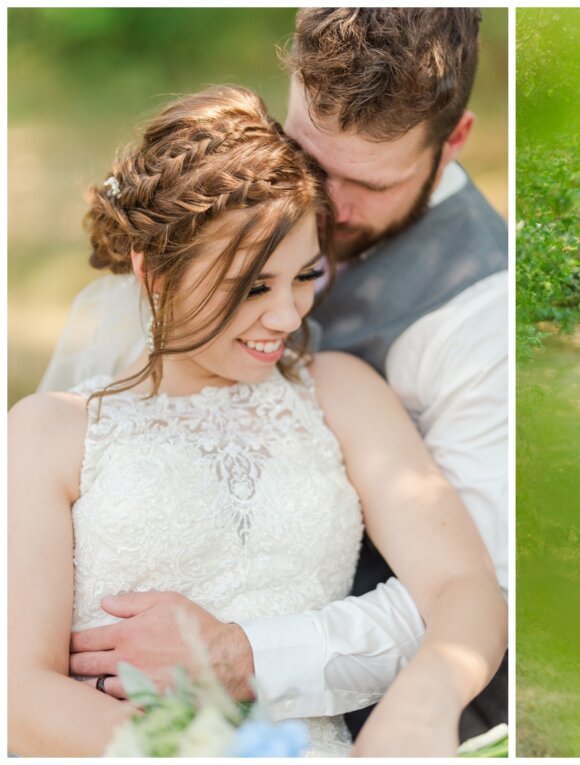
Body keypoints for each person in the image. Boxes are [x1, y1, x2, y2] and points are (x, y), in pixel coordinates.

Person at [51, 8, 509, 743]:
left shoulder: (467, 325)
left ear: (453, 143)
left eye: (304, 275)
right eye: (305, 156)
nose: (320, 203)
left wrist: (411, 701)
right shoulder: (60, 432)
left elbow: (479, 588)